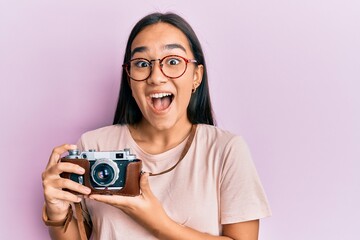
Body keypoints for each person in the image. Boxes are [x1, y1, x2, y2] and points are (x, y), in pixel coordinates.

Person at [41, 12, 271, 240]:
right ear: (129, 77)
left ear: (196, 76)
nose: (156, 77)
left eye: (172, 61)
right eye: (141, 63)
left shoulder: (225, 150)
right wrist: (57, 211)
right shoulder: (95, 145)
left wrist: (155, 222)